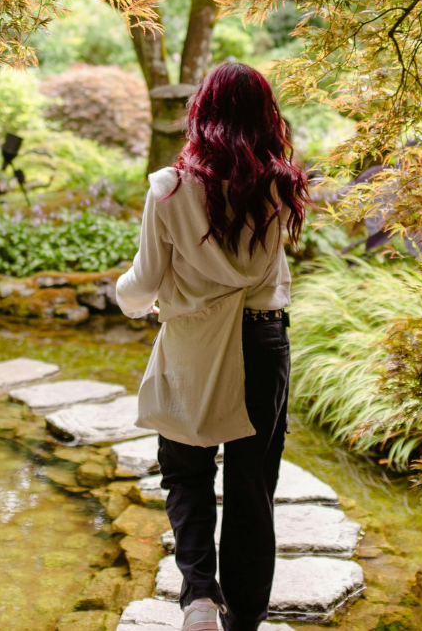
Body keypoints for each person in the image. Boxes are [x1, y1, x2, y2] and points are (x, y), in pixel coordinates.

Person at [116, 62, 309, 631]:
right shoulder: (282, 183)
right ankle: (243, 621)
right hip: (264, 341)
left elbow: (145, 281)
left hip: (196, 343)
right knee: (252, 486)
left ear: (203, 112)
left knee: (185, 469)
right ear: (264, 116)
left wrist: (127, 300)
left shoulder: (169, 187)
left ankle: (199, 596)